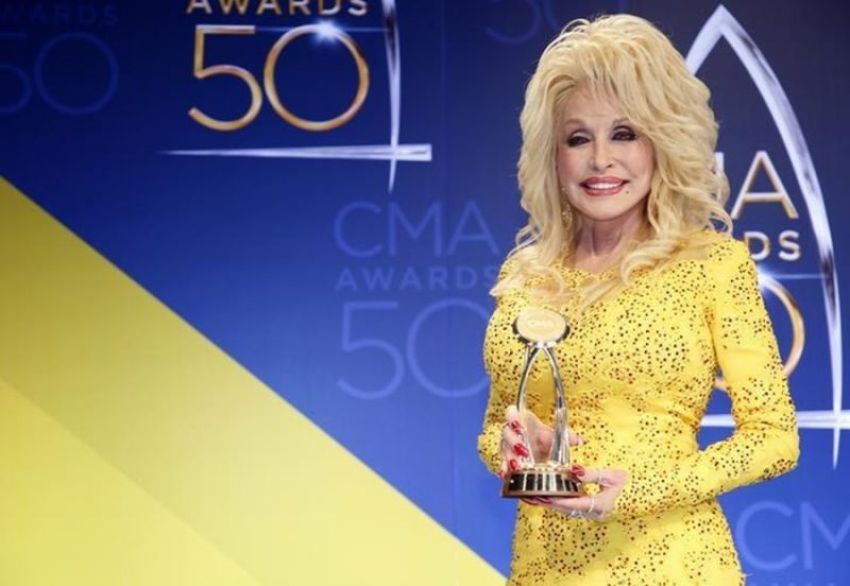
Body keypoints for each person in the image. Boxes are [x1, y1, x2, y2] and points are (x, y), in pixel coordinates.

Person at [477, 14, 800, 585]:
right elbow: (494, 429)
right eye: (579, 138)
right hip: (545, 569)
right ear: (553, 156)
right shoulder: (526, 274)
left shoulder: (712, 266)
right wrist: (513, 448)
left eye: (624, 133)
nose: (601, 159)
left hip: (674, 564)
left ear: (662, 144)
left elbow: (774, 438)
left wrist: (638, 491)